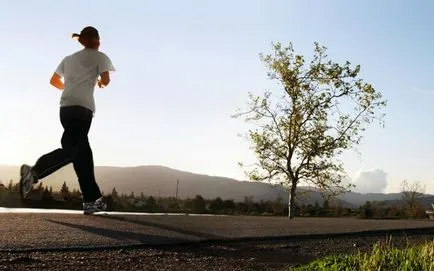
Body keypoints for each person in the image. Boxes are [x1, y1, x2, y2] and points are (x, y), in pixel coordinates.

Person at [19, 26, 115, 215]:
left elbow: (54, 80)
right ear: (96, 41)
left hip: (65, 108)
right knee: (72, 150)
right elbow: (106, 80)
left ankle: (91, 200)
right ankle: (35, 172)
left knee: (83, 155)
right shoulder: (100, 56)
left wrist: (70, 87)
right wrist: (100, 83)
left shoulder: (68, 59)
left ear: (82, 41)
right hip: (83, 109)